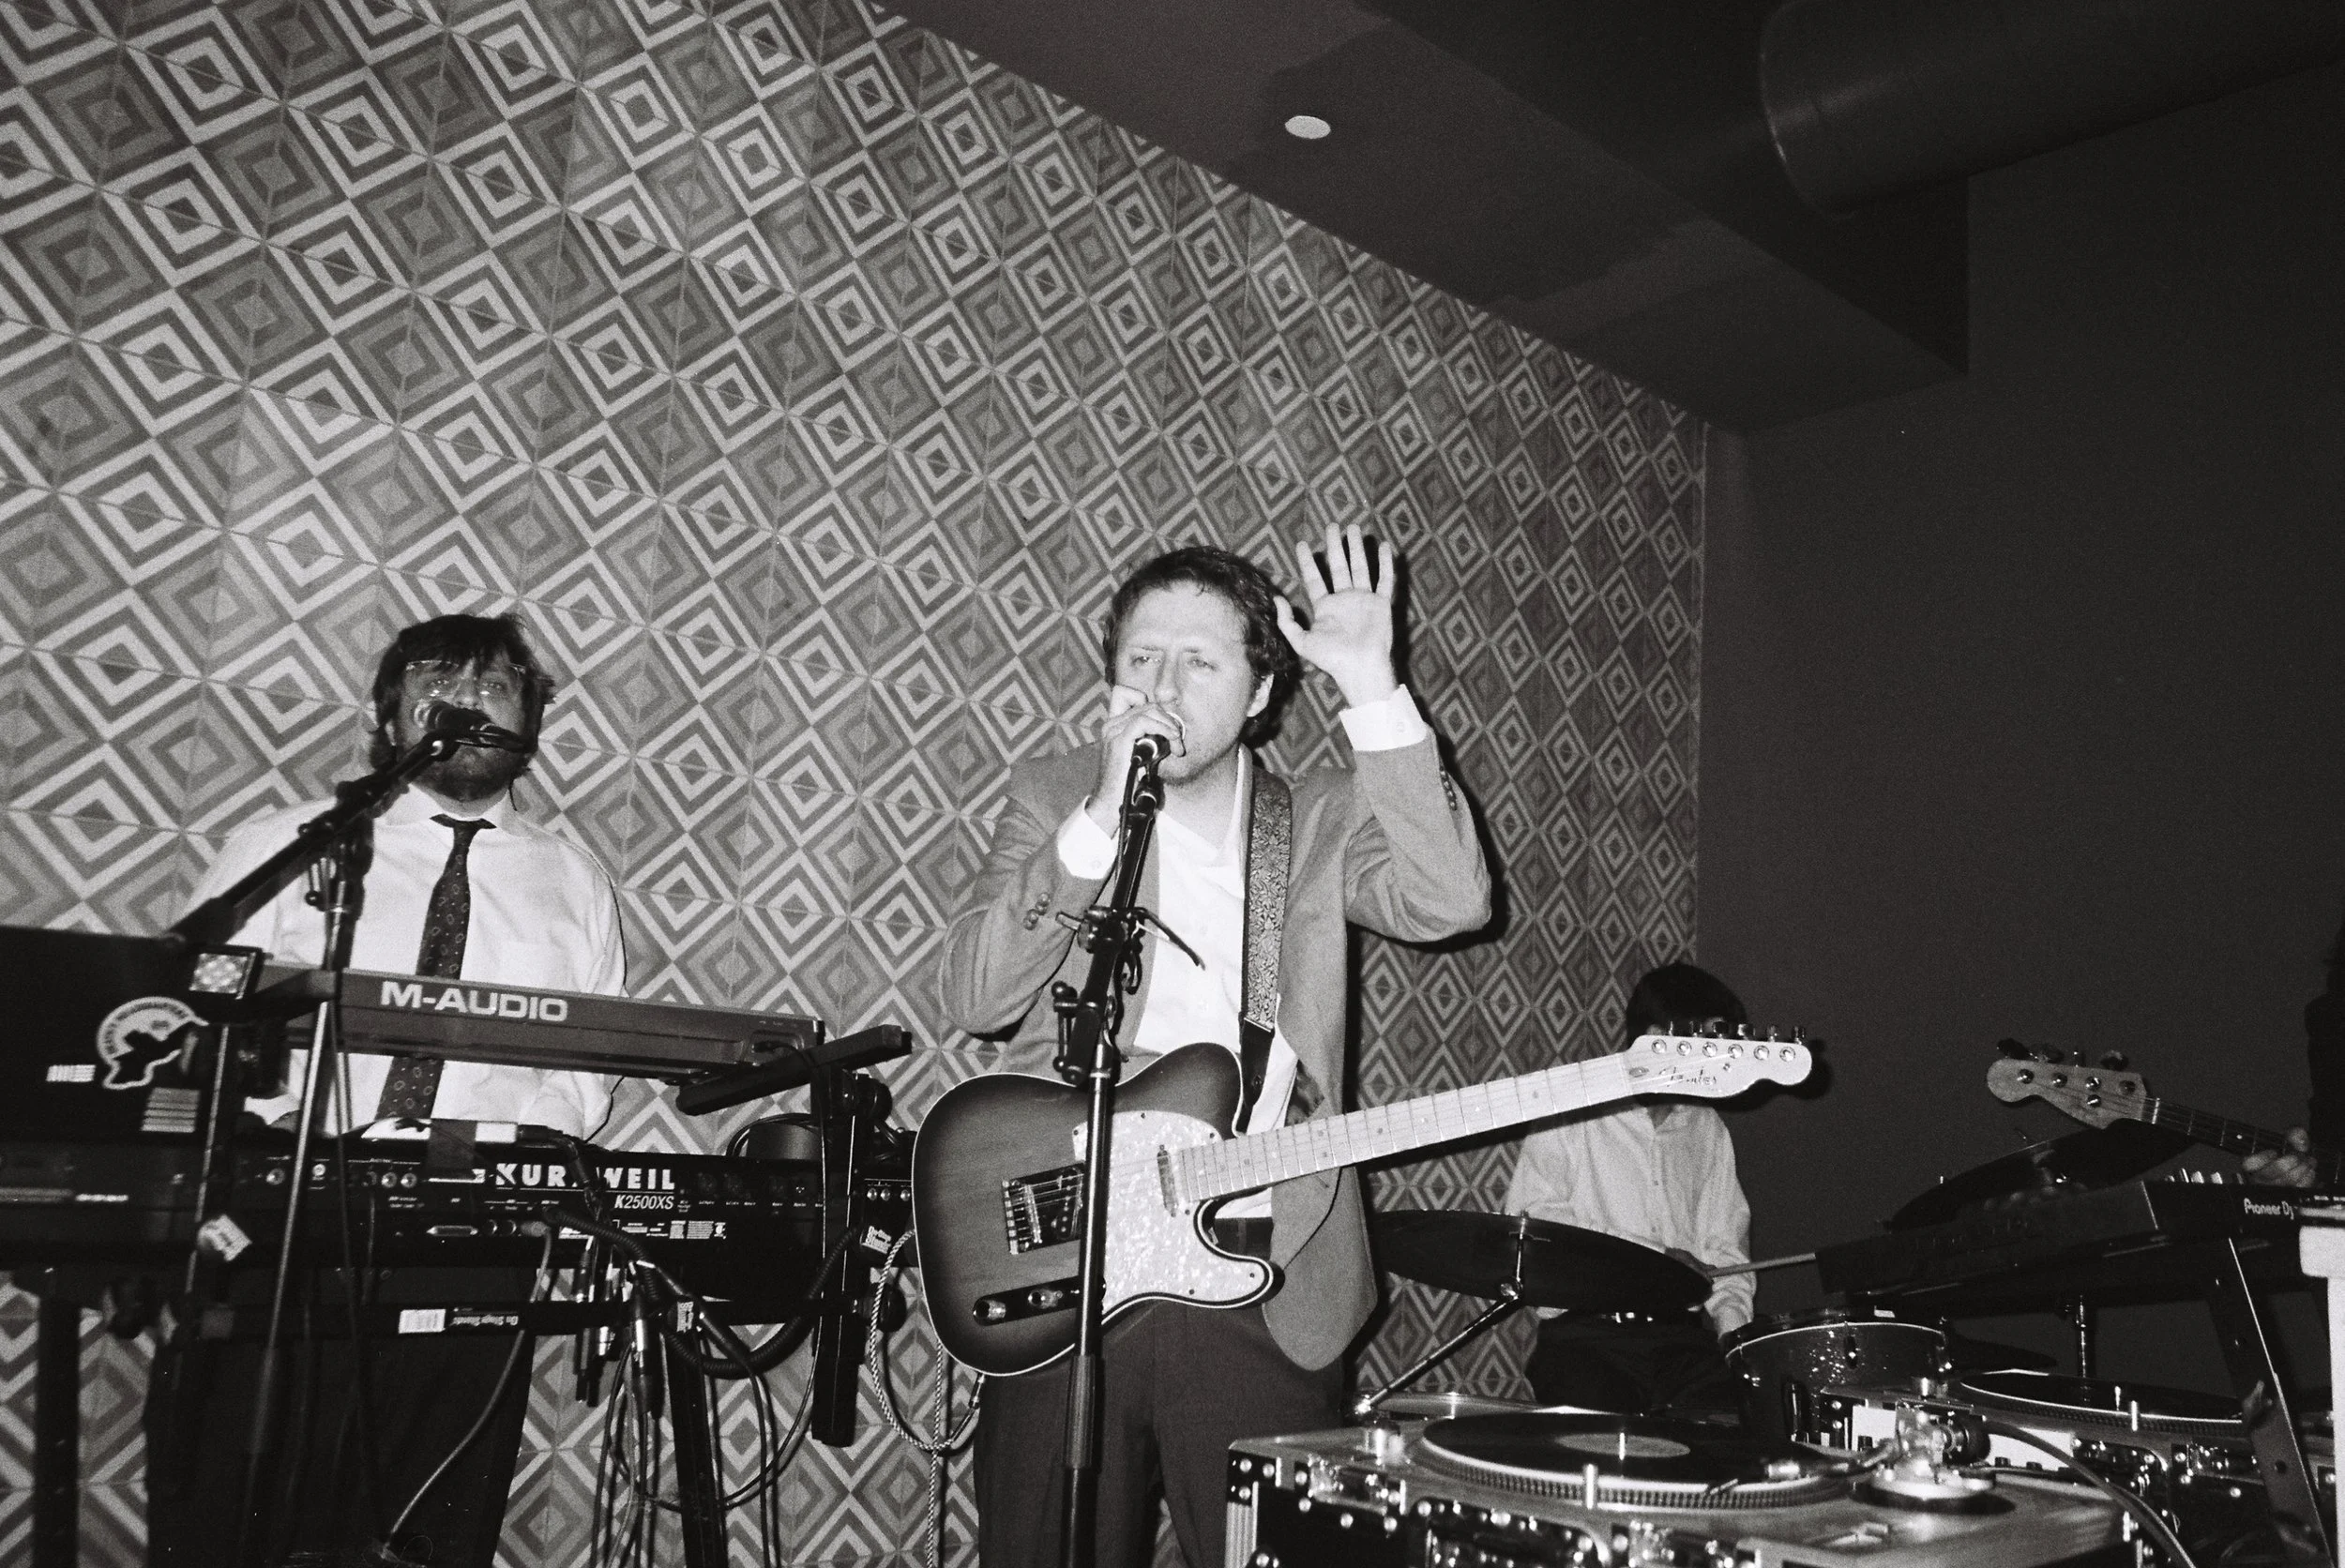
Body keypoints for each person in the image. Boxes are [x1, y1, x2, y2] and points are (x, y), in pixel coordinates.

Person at [937, 526, 1490, 1568]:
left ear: (1257, 694)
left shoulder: (1317, 816)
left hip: (1266, 1271)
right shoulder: (1054, 795)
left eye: (1200, 662)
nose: (1164, 685)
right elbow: (975, 992)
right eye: (1141, 659)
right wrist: (1099, 817)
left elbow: (1452, 901)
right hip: (1067, 1268)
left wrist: (1374, 688)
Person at [146, 612, 625, 1567]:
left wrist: (512, 1160)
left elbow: (593, 1064)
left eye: (498, 684)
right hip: (292, 1218)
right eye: (440, 678)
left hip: (476, 1226)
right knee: (237, 1502)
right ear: (388, 712)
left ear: (532, 716)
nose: (469, 700)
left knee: (427, 1521)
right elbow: (193, 1019)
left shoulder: (573, 877)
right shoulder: (284, 844)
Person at [1503, 962, 1753, 1418]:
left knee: (1733, 1428)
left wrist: (1736, 1342)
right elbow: (1537, 1229)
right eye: (1706, 1046)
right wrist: (1655, 1258)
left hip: (1684, 1341)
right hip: (1588, 1340)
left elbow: (1725, 1252)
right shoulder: (1572, 1108)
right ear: (1658, 1037)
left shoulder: (1707, 1129)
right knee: (1616, 1446)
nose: (1717, 1065)